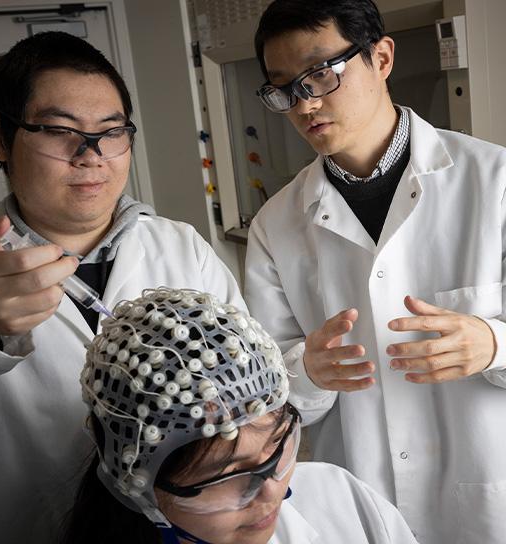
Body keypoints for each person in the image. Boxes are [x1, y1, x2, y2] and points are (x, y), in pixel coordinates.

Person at [0, 32, 244, 544]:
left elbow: (240, 378)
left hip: (182, 525)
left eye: (111, 132)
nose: (92, 156)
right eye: (60, 130)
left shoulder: (182, 246)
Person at [244, 1, 506, 543]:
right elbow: (268, 397)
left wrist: (493, 345)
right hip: (360, 505)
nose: (304, 103)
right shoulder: (276, 226)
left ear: (381, 57)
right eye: (285, 88)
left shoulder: (496, 182)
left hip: (488, 500)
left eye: (320, 74)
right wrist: (307, 371)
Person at [61, 287, 419, 544]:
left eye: (279, 442)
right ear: (138, 486)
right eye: (229, 475)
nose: (271, 491)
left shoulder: (344, 501)